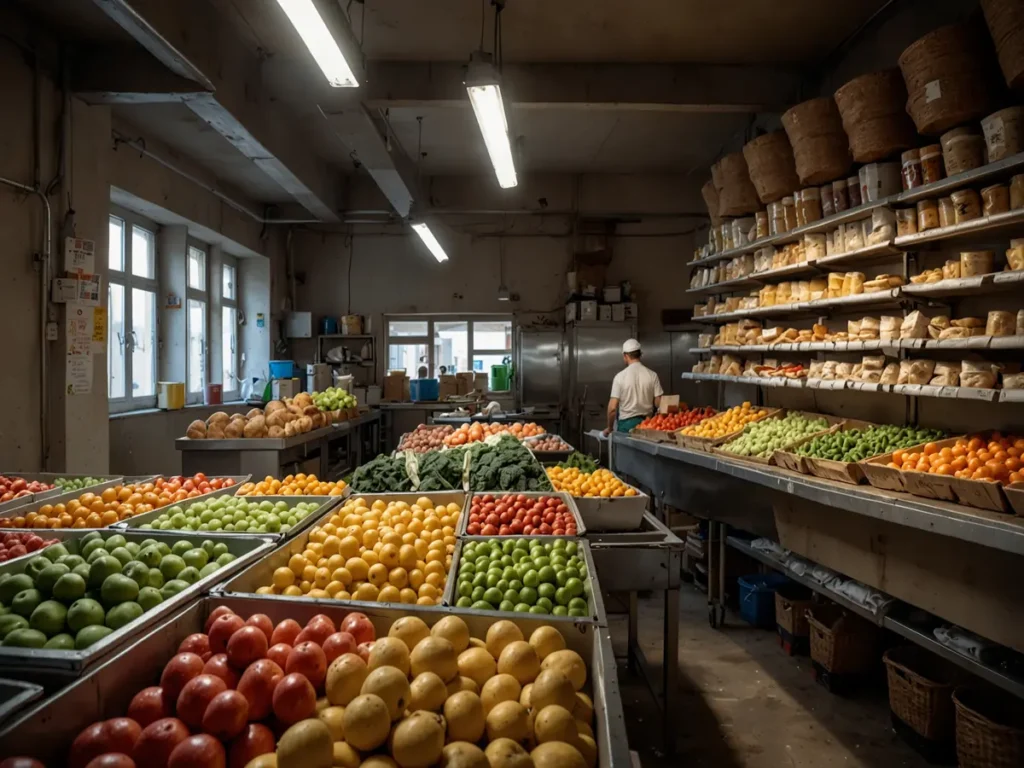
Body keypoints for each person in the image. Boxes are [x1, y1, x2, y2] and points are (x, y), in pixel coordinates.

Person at [603, 339, 663, 435]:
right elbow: (659, 402)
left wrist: (610, 428)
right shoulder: (652, 375)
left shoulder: (620, 377)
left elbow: (612, 409)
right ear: (640, 354)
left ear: (626, 356)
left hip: (626, 427)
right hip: (647, 425)